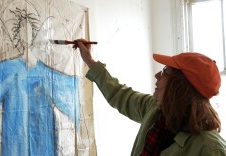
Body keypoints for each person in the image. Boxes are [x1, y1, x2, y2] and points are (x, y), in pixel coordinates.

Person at [73, 39, 226, 156]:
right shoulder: (156, 110)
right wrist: (89, 61)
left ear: (179, 88)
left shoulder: (211, 149)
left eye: (165, 72)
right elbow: (120, 94)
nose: (157, 75)